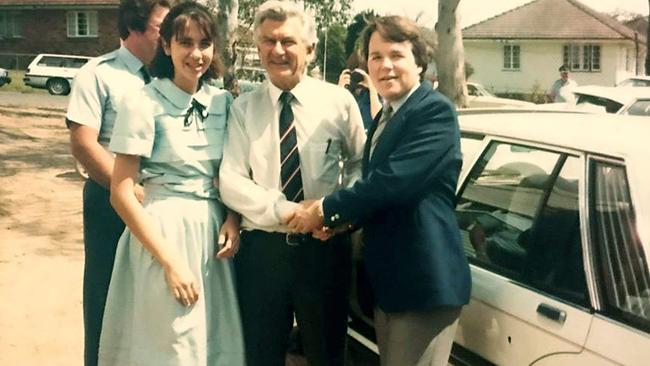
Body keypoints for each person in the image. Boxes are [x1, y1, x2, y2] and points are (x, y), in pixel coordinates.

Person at [288, 15, 472, 366]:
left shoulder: (434, 112)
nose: (385, 65)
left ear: (419, 61)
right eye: (375, 56)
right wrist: (344, 224)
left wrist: (325, 209)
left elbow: (391, 182)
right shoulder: (386, 116)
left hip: (423, 284)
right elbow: (384, 199)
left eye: (396, 55)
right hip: (390, 285)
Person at [218, 1, 366, 365]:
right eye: (268, 41)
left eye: (288, 41)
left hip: (325, 249)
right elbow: (231, 180)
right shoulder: (243, 109)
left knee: (326, 354)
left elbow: (362, 164)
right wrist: (287, 211)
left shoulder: (339, 102)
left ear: (310, 48)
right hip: (263, 255)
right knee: (260, 354)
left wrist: (337, 213)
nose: (277, 50)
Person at [97, 2, 244, 365]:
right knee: (170, 345)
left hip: (211, 240)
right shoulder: (142, 101)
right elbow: (121, 192)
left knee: (210, 345)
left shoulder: (224, 103)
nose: (196, 54)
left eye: (204, 43)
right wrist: (170, 261)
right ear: (166, 46)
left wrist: (233, 219)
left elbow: (236, 175)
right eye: (185, 43)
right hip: (162, 235)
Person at [65, 1, 172, 365]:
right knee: (106, 296)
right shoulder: (98, 74)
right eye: (162, 27)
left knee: (157, 298)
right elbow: (83, 143)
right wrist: (128, 191)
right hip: (111, 202)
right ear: (135, 27)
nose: (170, 35)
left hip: (163, 204)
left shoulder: (170, 74)